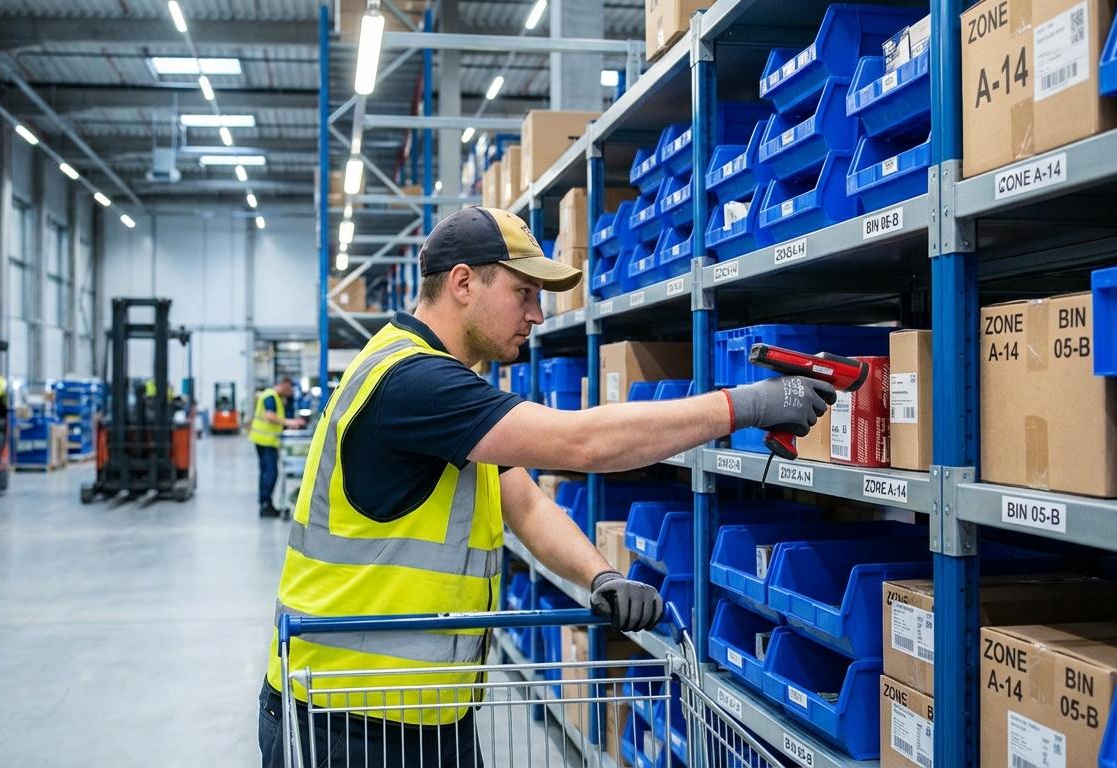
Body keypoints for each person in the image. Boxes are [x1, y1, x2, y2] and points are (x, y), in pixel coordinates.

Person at [257, 207, 835, 767]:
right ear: (463, 283)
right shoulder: (415, 382)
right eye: (523, 293)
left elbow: (526, 503)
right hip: (348, 716)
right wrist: (747, 404)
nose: (536, 314)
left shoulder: (442, 383)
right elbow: (580, 444)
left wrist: (600, 575)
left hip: (420, 710)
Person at [250, 378, 305, 518]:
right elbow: (269, 416)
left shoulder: (275, 397)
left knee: (265, 473)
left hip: (265, 440)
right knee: (270, 473)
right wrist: (290, 422)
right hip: (266, 441)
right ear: (284, 385)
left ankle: (265, 503)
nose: (290, 392)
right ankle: (266, 504)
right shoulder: (270, 396)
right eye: (289, 389)